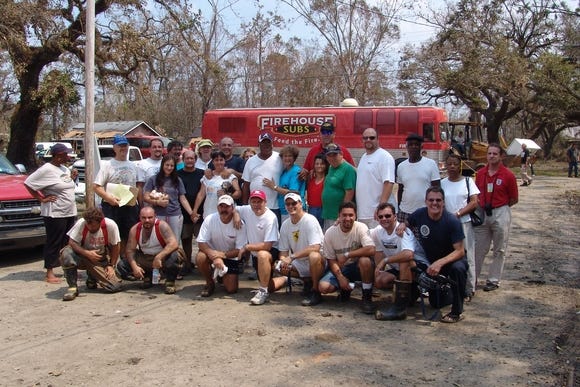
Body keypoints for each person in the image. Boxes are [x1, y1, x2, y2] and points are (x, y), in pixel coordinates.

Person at [378, 186, 468, 323]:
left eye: (438, 200)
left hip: (451, 260)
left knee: (458, 269)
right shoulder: (420, 214)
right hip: (429, 261)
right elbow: (408, 221)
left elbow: (460, 251)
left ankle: (457, 311)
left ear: (443, 202)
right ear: (425, 201)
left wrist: (440, 263)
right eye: (431, 200)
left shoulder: (452, 221)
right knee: (434, 302)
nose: (434, 203)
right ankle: (405, 302)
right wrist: (403, 224)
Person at [24, 143, 77, 284]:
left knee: (67, 242)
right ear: (58, 156)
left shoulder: (64, 168)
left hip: (69, 211)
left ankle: (67, 269)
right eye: (65, 154)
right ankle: (49, 272)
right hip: (55, 212)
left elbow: (64, 185)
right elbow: (28, 183)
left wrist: (73, 178)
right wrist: (41, 198)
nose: (68, 156)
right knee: (54, 241)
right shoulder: (46, 169)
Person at [474, 143, 518, 292]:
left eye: (495, 154)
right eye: (489, 153)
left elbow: (514, 198)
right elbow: (476, 194)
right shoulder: (480, 174)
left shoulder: (508, 175)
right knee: (478, 248)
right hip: (483, 212)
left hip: (500, 212)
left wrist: (501, 207)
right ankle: (472, 278)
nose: (491, 156)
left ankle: (493, 279)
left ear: (501, 156)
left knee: (499, 249)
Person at [318, 202, 376, 314]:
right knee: (324, 287)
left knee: (365, 261)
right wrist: (340, 277)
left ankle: (367, 297)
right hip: (342, 267)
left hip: (357, 266)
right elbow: (331, 260)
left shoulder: (361, 227)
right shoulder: (330, 233)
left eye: (351, 215)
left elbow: (371, 249)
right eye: (344, 215)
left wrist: (348, 255)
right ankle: (345, 289)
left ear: (356, 216)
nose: (347, 218)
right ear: (339, 216)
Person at [274, 192, 326, 306]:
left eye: (294, 203)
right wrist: (283, 260)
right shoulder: (285, 224)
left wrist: (291, 257)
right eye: (288, 204)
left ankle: (315, 291)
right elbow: (283, 251)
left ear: (300, 204)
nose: (291, 206)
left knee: (314, 256)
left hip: (318, 262)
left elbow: (316, 247)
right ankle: (307, 281)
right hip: (300, 262)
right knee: (278, 266)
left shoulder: (310, 220)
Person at [59, 207, 122, 301]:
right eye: (87, 223)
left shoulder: (110, 225)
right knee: (66, 253)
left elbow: (116, 246)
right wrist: (87, 253)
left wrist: (111, 265)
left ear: (100, 222)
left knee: (115, 286)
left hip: (99, 259)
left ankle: (92, 277)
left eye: (92, 225)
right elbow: (71, 242)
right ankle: (72, 287)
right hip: (82, 256)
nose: (89, 227)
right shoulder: (81, 223)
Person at [441, 153, 480, 300]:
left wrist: (458, 214)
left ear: (460, 166)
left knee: (468, 254)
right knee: (448, 254)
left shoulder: (468, 182)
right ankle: (450, 285)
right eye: (449, 164)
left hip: (464, 223)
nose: (451, 167)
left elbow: (474, 202)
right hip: (446, 225)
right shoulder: (442, 183)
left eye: (455, 164)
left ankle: (469, 288)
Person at [94, 134, 140, 258]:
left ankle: (124, 263)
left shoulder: (133, 165)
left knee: (128, 235)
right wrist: (109, 198)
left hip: (130, 206)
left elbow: (138, 187)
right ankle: (111, 263)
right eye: (120, 146)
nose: (123, 149)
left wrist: (139, 205)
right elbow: (96, 186)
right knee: (112, 236)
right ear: (114, 148)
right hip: (112, 206)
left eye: (125, 146)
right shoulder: (108, 165)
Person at [122, 206, 183, 294]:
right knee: (122, 265)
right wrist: (134, 267)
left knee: (174, 256)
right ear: (139, 217)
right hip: (145, 257)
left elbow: (174, 244)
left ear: (155, 216)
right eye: (144, 218)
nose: (147, 220)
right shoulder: (135, 229)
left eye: (150, 217)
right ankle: (147, 276)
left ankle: (170, 281)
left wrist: (159, 257)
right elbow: (130, 250)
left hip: (162, 257)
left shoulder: (162, 225)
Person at [234, 190, 279, 305]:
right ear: (250, 202)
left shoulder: (270, 218)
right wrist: (236, 215)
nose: (256, 204)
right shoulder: (248, 209)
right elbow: (234, 207)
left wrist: (246, 247)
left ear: (265, 202)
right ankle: (285, 280)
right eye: (253, 201)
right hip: (255, 253)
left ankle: (263, 292)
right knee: (269, 285)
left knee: (262, 254)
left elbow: (267, 245)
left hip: (271, 251)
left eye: (259, 201)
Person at [196, 195, 247, 297]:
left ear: (233, 208)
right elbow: (201, 242)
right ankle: (209, 282)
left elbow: (240, 249)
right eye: (221, 206)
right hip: (212, 254)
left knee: (231, 289)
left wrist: (222, 256)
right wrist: (214, 256)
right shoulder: (209, 219)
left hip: (230, 257)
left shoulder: (239, 224)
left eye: (227, 207)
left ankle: (221, 275)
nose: (224, 209)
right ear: (217, 207)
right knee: (200, 257)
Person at [143, 155, 195, 244]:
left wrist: (191, 213)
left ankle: (174, 258)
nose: (169, 167)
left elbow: (182, 198)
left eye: (172, 166)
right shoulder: (153, 179)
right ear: (162, 165)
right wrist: (156, 202)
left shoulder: (177, 180)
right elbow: (145, 196)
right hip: (158, 214)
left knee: (174, 241)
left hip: (174, 214)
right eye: (167, 165)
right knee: (158, 240)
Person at [356, 128, 396, 228]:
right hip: (363, 214)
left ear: (378, 139)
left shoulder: (385, 157)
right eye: (365, 138)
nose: (368, 140)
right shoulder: (364, 157)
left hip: (377, 215)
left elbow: (388, 183)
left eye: (372, 137)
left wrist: (380, 209)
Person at [370, 203, 415, 291]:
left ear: (395, 216)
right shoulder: (378, 231)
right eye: (381, 217)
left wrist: (385, 261)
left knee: (404, 261)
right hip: (396, 269)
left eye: (387, 216)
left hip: (415, 268)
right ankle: (400, 288)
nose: (384, 219)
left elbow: (409, 255)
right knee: (379, 281)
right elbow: (362, 233)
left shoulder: (402, 230)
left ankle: (405, 296)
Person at [396, 133, 440, 223]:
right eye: (411, 144)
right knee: (403, 237)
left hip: (425, 211)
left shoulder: (431, 164)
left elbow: (437, 188)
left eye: (416, 144)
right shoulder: (401, 166)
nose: (413, 147)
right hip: (404, 211)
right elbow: (400, 189)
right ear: (406, 146)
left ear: (421, 146)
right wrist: (399, 206)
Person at [241, 132, 283, 221]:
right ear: (258, 144)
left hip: (274, 206)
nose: (266, 145)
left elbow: (291, 169)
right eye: (263, 142)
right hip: (254, 206)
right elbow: (246, 185)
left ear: (272, 144)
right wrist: (245, 205)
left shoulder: (280, 158)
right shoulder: (250, 161)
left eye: (268, 142)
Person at [177, 150, 205, 276]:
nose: (189, 161)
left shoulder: (202, 174)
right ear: (183, 159)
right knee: (186, 239)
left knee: (201, 240)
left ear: (195, 159)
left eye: (192, 158)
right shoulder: (177, 175)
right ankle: (187, 263)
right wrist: (190, 213)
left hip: (200, 213)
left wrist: (195, 212)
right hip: (183, 213)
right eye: (187, 158)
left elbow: (203, 193)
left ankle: (202, 264)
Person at [192, 150, 241, 220]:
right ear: (213, 162)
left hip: (226, 213)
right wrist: (195, 210)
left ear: (225, 161)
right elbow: (201, 194)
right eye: (216, 160)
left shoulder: (230, 176)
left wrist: (228, 194)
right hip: (209, 213)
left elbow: (238, 193)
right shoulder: (207, 176)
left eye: (221, 160)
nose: (219, 162)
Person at [262, 145, 305, 224]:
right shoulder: (284, 172)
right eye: (285, 156)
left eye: (290, 156)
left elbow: (293, 192)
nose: (287, 158)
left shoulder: (296, 171)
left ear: (294, 158)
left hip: (294, 210)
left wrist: (274, 187)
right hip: (284, 210)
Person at [321, 143, 356, 230]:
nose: (332, 158)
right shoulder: (331, 168)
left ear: (341, 154)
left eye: (335, 155)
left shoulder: (348, 169)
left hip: (337, 216)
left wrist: (342, 214)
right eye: (329, 155)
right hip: (328, 214)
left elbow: (350, 192)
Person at [136, 138, 164, 204]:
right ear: (150, 149)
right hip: (148, 204)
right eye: (154, 147)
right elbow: (139, 186)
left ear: (162, 149)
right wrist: (141, 205)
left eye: (159, 147)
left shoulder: (168, 163)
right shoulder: (142, 164)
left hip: (165, 204)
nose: (157, 149)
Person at [306, 153, 329, 228]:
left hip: (323, 209)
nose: (319, 166)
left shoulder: (327, 179)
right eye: (317, 164)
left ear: (326, 165)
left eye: (322, 164)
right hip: (311, 209)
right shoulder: (310, 178)